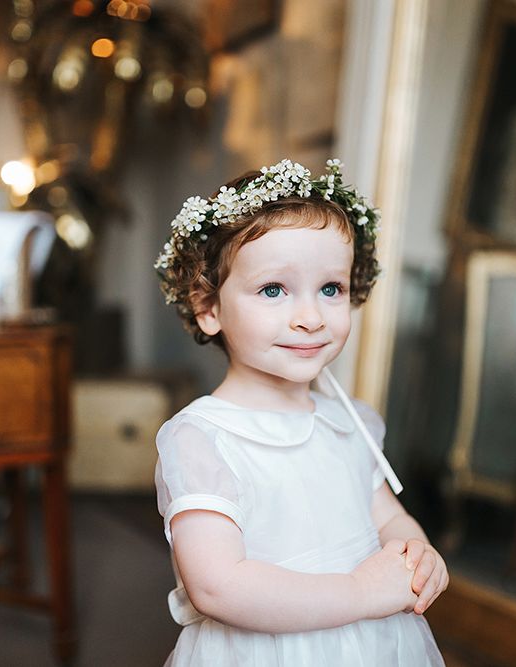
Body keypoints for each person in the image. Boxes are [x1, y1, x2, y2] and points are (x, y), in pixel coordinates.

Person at [152, 159, 448, 666]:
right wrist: (359, 592)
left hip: (373, 645)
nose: (310, 318)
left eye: (330, 289)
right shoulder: (202, 440)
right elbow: (218, 587)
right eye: (274, 290)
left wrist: (416, 552)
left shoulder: (350, 421)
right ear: (209, 308)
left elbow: (388, 517)